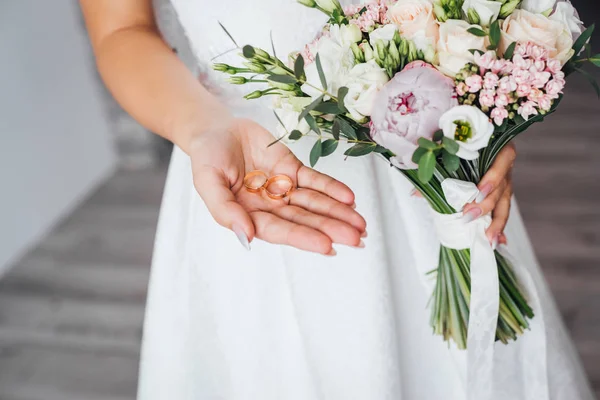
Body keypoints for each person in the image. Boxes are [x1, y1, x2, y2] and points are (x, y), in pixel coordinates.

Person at [80, 1, 594, 399]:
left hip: (431, 158)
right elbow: (121, 30)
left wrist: (484, 115)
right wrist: (204, 128)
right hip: (261, 177)